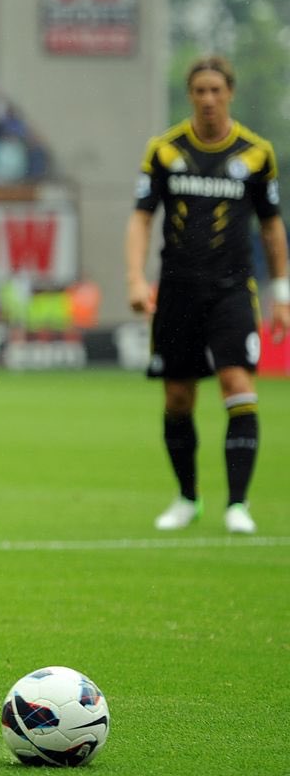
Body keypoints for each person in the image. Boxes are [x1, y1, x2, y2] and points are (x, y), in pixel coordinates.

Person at [125, 54, 290, 535]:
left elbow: (272, 228)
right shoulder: (164, 150)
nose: (209, 99)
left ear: (230, 93)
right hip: (176, 291)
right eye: (200, 91)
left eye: (217, 90)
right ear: (190, 95)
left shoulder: (257, 153)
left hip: (233, 290)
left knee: (237, 384)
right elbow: (141, 217)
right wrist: (136, 278)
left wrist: (282, 293)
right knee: (178, 398)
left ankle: (237, 504)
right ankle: (187, 498)